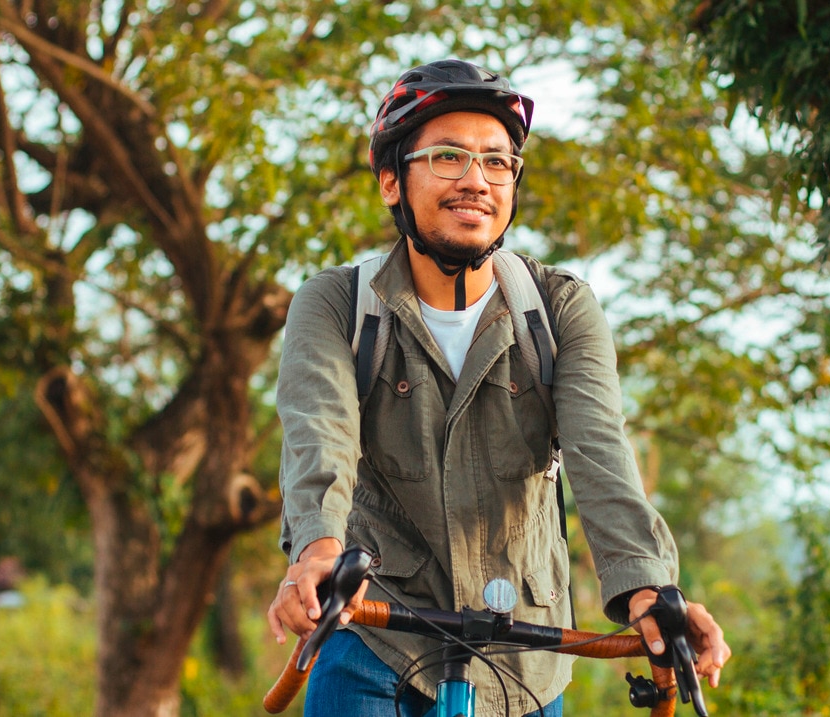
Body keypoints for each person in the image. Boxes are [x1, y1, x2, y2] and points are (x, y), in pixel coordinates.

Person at [267, 59, 730, 716]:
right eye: (449, 157)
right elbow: (321, 435)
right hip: (377, 631)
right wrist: (317, 551)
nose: (476, 181)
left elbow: (601, 456)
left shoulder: (560, 308)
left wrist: (650, 589)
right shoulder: (338, 305)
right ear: (391, 181)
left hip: (522, 652)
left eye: (497, 161)